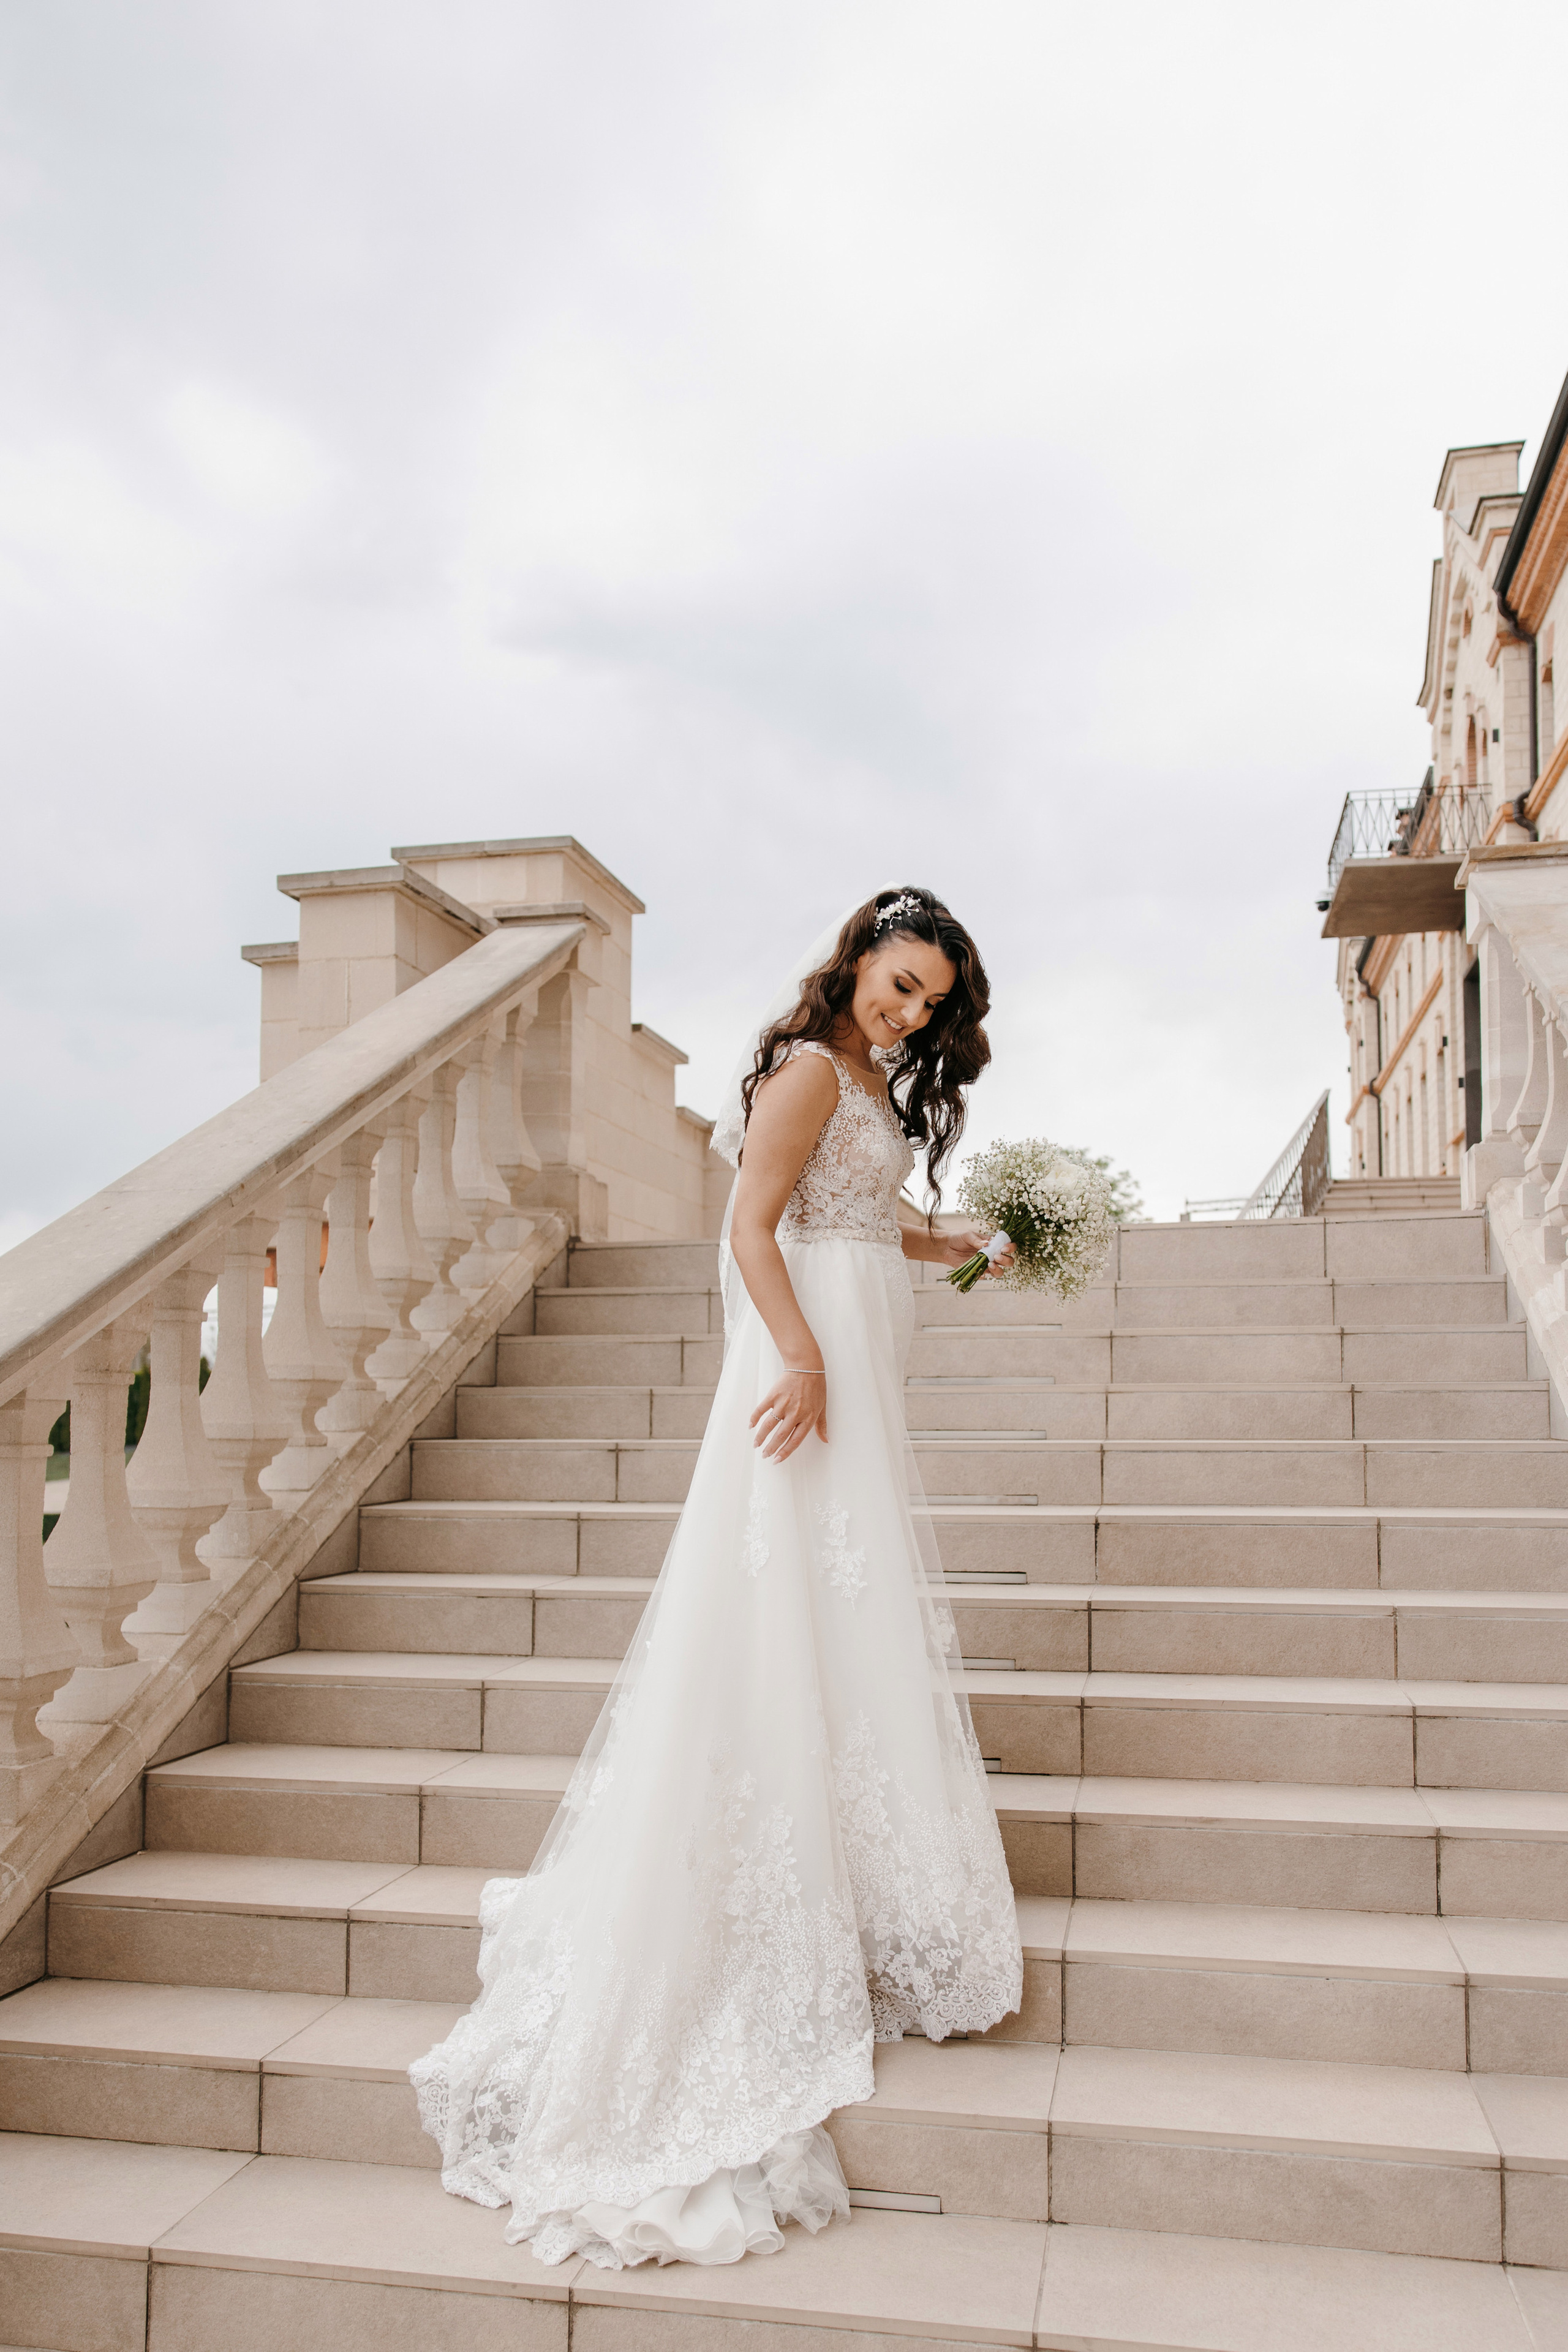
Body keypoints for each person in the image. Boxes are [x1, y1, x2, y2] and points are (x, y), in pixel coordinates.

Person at [412, 884, 1022, 2269]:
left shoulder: (864, 1078)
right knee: (785, 1605)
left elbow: (868, 1221)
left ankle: (852, 1870)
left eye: (929, 999)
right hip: (802, 1370)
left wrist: (975, 1232)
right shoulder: (808, 1065)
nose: (906, 1009)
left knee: (840, 1612)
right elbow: (752, 1226)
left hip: (849, 1362)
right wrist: (802, 1362)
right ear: (856, 957)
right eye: (897, 980)